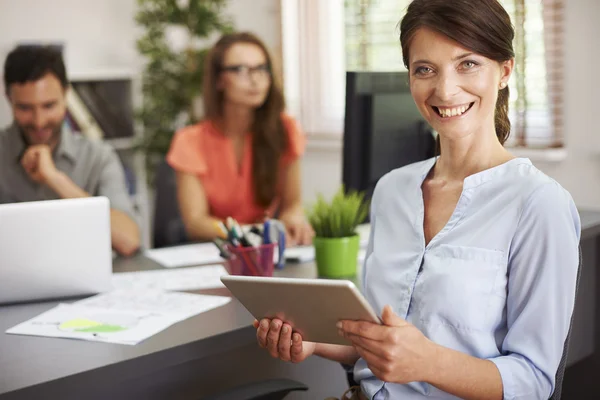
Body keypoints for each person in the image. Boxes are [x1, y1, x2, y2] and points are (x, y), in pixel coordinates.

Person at [254, 0, 581, 399]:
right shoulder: (392, 190)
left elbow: (534, 382)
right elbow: (379, 340)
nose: (444, 90)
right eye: (424, 69)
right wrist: (312, 343)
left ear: (505, 71)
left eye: (468, 64)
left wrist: (430, 363)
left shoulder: (539, 205)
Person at [166, 32, 314, 246]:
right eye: (241, 70)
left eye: (261, 69)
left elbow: (293, 203)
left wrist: (293, 218)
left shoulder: (286, 129)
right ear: (219, 80)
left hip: (266, 253)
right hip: (219, 251)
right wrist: (253, 234)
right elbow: (196, 222)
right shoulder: (189, 140)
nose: (255, 79)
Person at [0, 45, 140, 257]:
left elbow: (129, 240)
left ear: (66, 95)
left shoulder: (98, 155)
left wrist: (55, 179)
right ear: (9, 98)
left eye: (49, 106)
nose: (39, 122)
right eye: (25, 108)